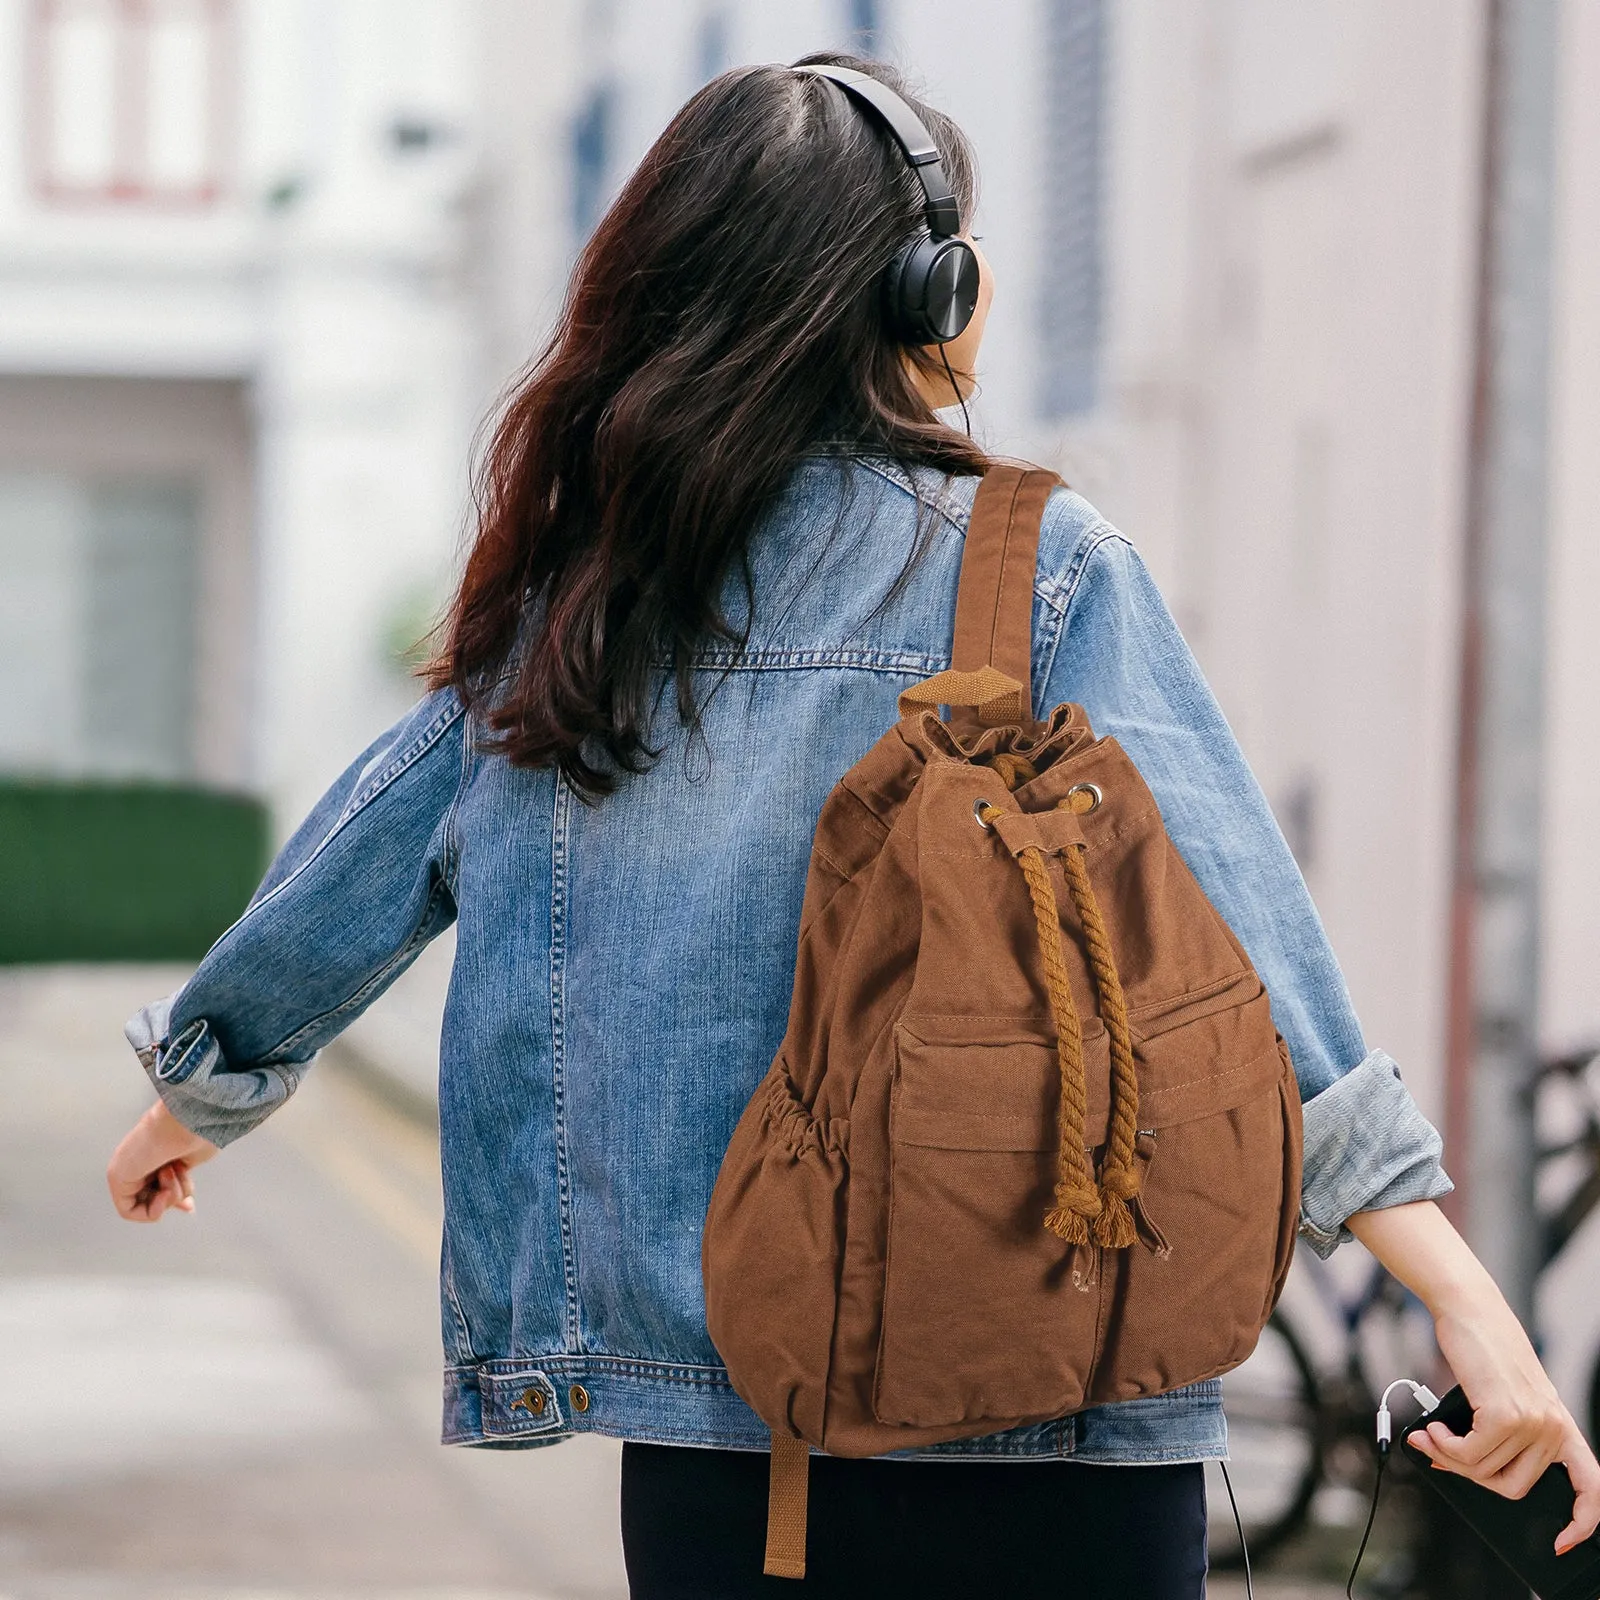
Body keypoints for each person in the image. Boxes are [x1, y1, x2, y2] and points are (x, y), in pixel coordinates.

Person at [107, 51, 1598, 1600]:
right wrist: (1465, 1302)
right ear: (927, 296)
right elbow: (1245, 938)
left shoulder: (586, 607)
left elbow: (366, 855)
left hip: (722, 1446)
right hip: (1061, 1410)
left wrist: (197, 1095)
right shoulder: (1041, 570)